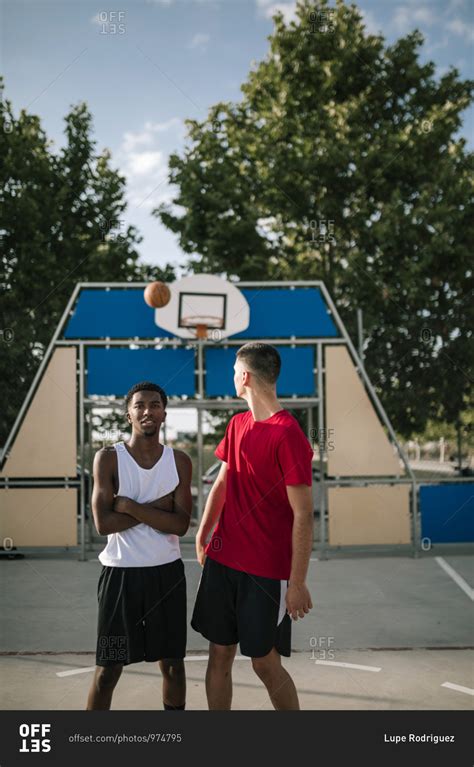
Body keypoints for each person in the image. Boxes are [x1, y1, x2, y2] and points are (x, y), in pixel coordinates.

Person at [192, 343, 314, 710]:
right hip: (223, 562)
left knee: (264, 661)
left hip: (264, 573)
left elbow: (303, 515)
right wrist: (203, 534)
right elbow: (223, 484)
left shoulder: (288, 434)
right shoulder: (237, 424)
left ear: (244, 377)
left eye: (233, 371)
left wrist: (297, 582)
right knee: (219, 654)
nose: (232, 377)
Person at [86, 381, 192, 710]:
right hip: (121, 576)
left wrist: (130, 506)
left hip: (166, 575)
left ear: (164, 413)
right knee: (108, 669)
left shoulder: (180, 461)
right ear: (128, 414)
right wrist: (160, 507)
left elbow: (181, 524)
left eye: (155, 405)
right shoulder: (108, 458)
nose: (148, 411)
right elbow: (103, 525)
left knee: (173, 666)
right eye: (140, 405)